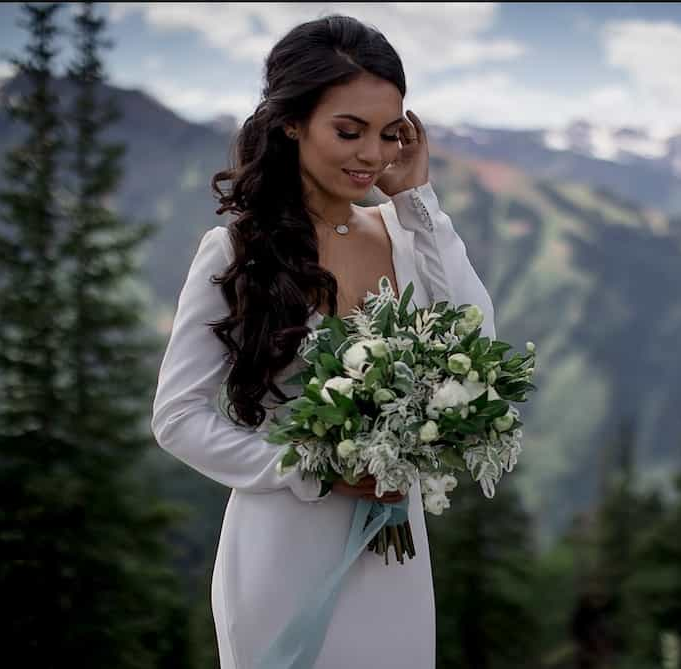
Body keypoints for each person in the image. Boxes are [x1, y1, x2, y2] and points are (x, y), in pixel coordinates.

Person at [149, 15, 496, 669]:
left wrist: (418, 199)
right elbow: (176, 418)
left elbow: (477, 338)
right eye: (348, 130)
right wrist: (313, 467)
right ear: (291, 123)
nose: (371, 154)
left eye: (387, 133)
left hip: (395, 549)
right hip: (281, 545)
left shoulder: (404, 234)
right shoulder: (234, 252)